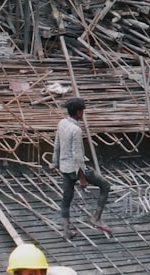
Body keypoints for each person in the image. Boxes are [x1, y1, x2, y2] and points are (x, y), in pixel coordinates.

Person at [51, 97, 112, 239]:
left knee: (66, 198)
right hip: (76, 170)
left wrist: (54, 162)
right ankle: (96, 217)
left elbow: (57, 145)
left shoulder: (62, 123)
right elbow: (78, 156)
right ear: (78, 112)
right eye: (82, 111)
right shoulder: (76, 130)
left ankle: (66, 231)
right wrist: (82, 178)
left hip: (65, 168)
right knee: (105, 186)